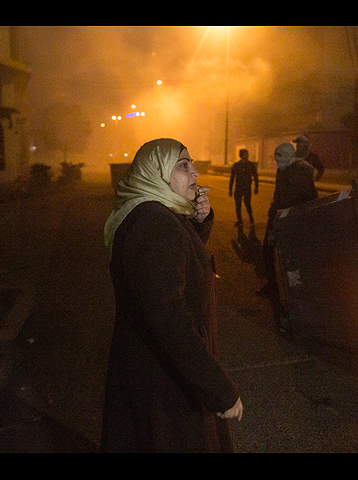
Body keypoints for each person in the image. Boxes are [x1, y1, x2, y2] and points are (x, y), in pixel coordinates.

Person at [102, 138, 243, 453]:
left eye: (192, 164)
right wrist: (219, 388)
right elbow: (169, 319)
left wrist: (198, 222)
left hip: (158, 371)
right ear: (157, 172)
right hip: (164, 381)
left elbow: (181, 264)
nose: (194, 173)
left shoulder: (156, 215)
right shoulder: (154, 223)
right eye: (183, 165)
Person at [257, 143, 318, 330]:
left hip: (293, 219)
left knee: (291, 258)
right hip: (278, 216)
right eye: (276, 158)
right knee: (267, 250)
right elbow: (279, 195)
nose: (277, 162)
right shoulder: (282, 171)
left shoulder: (301, 172)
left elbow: (309, 196)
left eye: (280, 158)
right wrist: (273, 214)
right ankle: (272, 284)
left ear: (289, 156)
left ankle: (296, 295)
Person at [229, 149, 259, 226]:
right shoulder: (236, 165)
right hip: (238, 187)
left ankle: (251, 218)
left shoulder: (251, 165)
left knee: (247, 204)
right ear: (241, 155)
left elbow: (255, 176)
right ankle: (240, 221)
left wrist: (256, 187)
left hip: (247, 188)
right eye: (246, 154)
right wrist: (230, 189)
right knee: (238, 205)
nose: (247, 156)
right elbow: (232, 178)